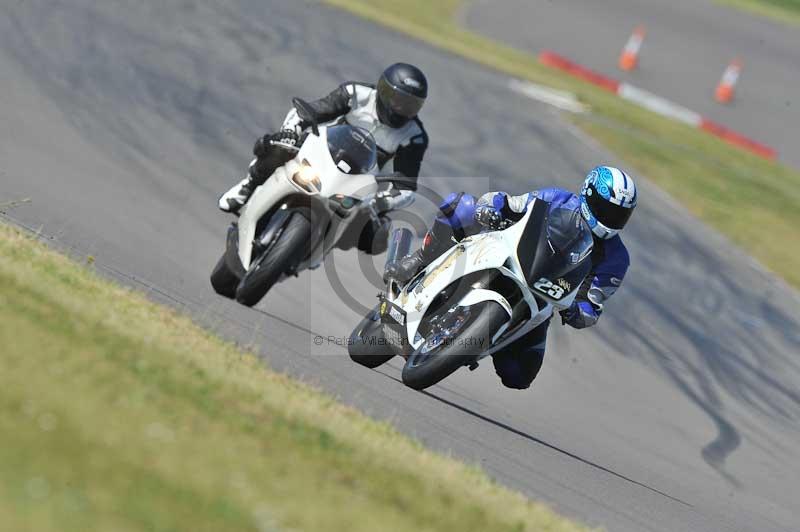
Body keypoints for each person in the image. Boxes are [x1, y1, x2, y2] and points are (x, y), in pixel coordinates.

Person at [385, 166, 637, 389]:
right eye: (607, 210)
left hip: (541, 299)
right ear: (588, 195)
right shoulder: (556, 198)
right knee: (461, 206)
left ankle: (477, 339)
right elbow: (510, 203)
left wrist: (578, 312)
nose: (611, 220)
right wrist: (490, 208)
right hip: (506, 254)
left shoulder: (617, 258)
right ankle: (419, 259)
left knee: (519, 375)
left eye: (619, 215)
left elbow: (592, 302)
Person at [217, 63, 429, 253]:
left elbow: (407, 186)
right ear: (383, 90)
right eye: (397, 100)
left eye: (410, 105)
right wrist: (291, 131)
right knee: (279, 147)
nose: (401, 109)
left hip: (358, 181)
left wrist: (380, 203)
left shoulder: (415, 136)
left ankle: (321, 247)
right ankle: (247, 187)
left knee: (376, 234)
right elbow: (309, 111)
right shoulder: (356, 93)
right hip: (321, 152)